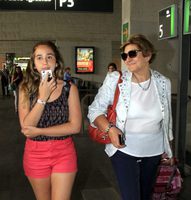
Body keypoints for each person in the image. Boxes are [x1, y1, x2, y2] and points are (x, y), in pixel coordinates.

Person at [88, 34, 174, 200]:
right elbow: (94, 109)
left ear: (148, 55)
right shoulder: (115, 80)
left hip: (153, 151)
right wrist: (110, 128)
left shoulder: (164, 82)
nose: (127, 59)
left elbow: (167, 119)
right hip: (123, 149)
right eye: (124, 55)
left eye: (132, 54)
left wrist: (168, 149)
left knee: (145, 194)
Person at [18, 41, 82, 200]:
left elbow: (75, 127)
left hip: (64, 152)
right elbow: (26, 128)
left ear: (56, 62)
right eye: (39, 58)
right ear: (33, 64)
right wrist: (43, 96)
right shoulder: (25, 89)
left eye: (49, 57)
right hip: (35, 154)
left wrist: (40, 131)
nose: (44, 62)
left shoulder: (69, 88)